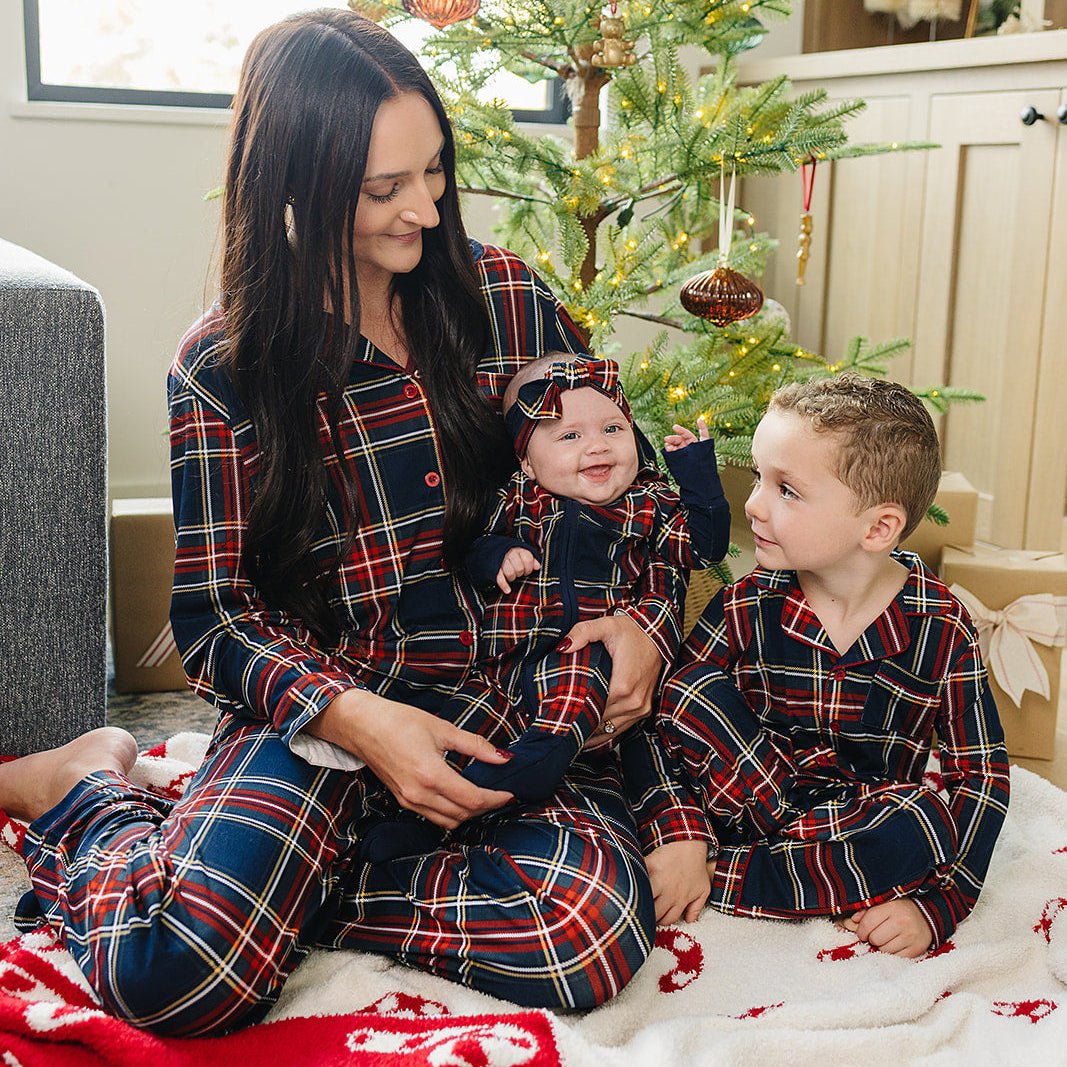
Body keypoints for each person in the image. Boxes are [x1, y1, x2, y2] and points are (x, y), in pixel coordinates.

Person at [0, 11, 676, 1036]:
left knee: (581, 929)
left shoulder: (511, 301)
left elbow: (639, 492)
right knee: (173, 974)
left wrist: (643, 625)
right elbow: (216, 619)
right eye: (382, 189)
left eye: (434, 171)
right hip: (323, 715)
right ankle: (90, 789)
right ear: (296, 183)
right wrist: (356, 719)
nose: (425, 206)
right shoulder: (222, 366)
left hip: (501, 702)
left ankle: (285, 897)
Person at [623, 373, 1011, 955]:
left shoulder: (941, 623)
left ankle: (736, 875)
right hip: (744, 801)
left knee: (926, 819)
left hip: (860, 818)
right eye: (759, 478)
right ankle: (718, 864)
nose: (752, 505)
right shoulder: (748, 602)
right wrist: (679, 835)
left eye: (787, 491)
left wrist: (937, 907)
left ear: (878, 528)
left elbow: (980, 777)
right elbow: (658, 728)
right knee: (691, 689)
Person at [362, 354, 730, 860]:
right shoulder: (519, 500)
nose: (597, 445)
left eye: (611, 428)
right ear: (529, 462)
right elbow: (471, 547)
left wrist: (695, 471)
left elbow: (704, 547)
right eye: (569, 436)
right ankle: (414, 823)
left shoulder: (648, 504)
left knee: (581, 670)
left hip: (585, 652)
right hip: (505, 664)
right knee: (463, 727)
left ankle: (533, 765)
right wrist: (498, 556)